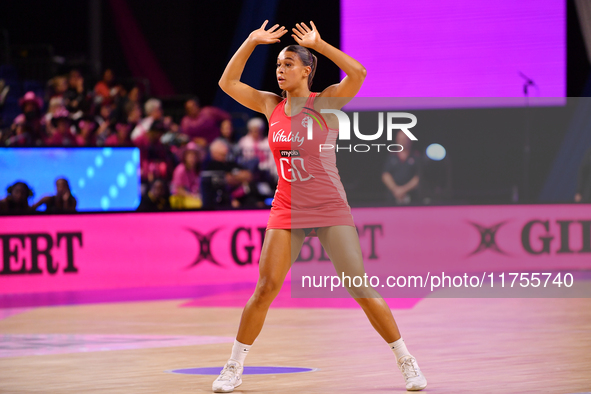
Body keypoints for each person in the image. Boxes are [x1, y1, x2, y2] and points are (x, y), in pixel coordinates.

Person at [214, 20, 427, 392]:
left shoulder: (325, 102)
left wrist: (321, 44)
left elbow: (358, 72)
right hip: (287, 207)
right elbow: (227, 84)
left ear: (307, 70)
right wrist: (250, 41)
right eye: (278, 65)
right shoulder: (270, 105)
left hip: (329, 205)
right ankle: (233, 366)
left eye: (288, 64)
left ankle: (406, 360)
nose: (280, 70)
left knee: (359, 286)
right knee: (265, 289)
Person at [200, 139, 252, 209]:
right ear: (213, 153)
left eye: (225, 154)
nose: (225, 156)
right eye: (222, 154)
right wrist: (239, 178)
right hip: (220, 201)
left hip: (241, 196)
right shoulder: (210, 165)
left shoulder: (230, 163)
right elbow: (227, 179)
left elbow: (248, 176)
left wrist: (233, 177)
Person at [382, 130, 421, 205]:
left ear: (410, 140)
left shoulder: (416, 156)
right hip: (393, 197)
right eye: (400, 139)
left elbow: (418, 178)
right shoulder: (391, 156)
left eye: (404, 139)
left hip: (412, 198)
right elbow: (385, 175)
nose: (402, 141)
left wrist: (403, 190)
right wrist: (396, 190)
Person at [170, 143, 203, 209]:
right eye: (190, 155)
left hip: (190, 197)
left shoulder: (194, 170)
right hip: (179, 199)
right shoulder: (180, 169)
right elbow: (179, 190)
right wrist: (192, 196)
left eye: (194, 156)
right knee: (198, 205)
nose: (192, 158)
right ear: (185, 156)